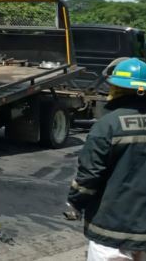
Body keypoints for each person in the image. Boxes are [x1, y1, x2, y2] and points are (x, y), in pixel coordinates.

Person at [67, 58, 146, 261]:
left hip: (111, 228)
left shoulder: (108, 125)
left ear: (115, 88)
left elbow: (89, 175)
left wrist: (75, 202)